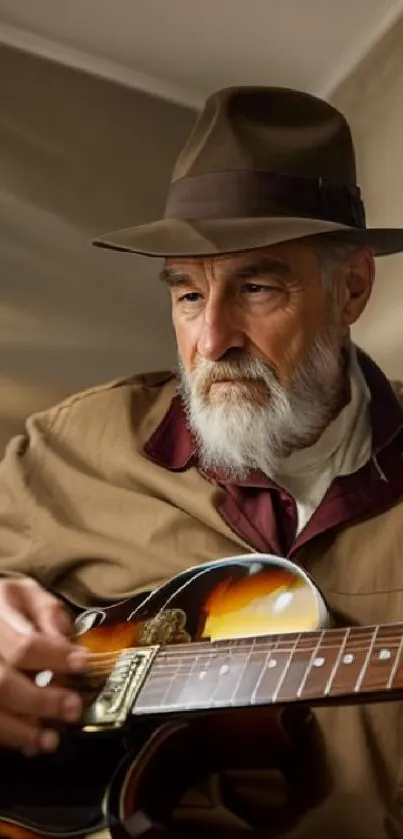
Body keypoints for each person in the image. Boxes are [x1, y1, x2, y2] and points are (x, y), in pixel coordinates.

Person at [0, 85, 403, 838]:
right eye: (187, 293)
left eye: (255, 286)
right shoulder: (70, 444)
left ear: (349, 288)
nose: (211, 340)